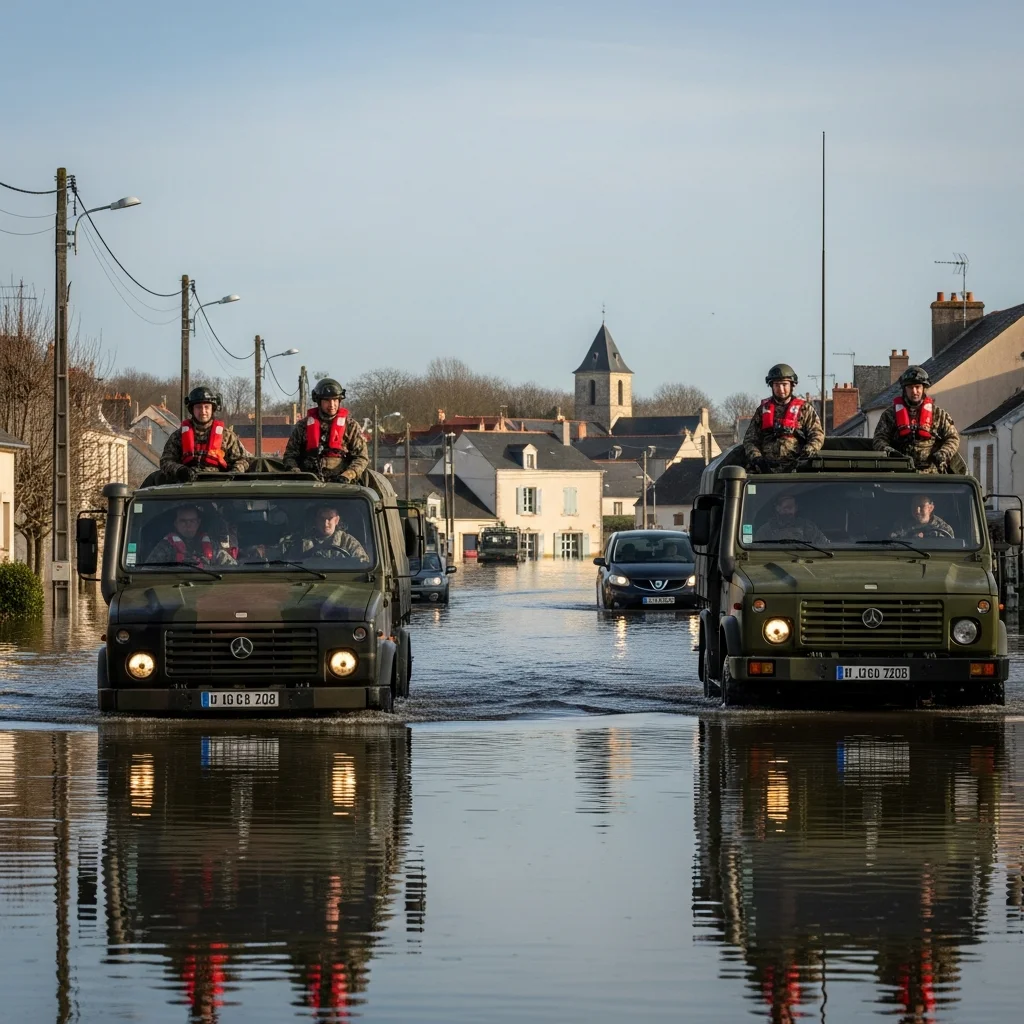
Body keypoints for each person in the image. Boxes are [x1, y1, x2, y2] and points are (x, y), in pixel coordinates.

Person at [872, 366, 960, 472]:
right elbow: (879, 439)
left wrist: (943, 453)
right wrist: (890, 452)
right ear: (905, 389)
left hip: (931, 474)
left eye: (917, 387)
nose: (914, 391)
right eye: (910, 387)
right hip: (899, 472)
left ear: (924, 389)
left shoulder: (938, 415)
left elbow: (953, 438)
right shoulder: (890, 415)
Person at [283, 378, 370, 482]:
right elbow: (290, 456)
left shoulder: (351, 426)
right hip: (308, 484)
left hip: (343, 484)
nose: (332, 405)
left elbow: (361, 457)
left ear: (339, 400)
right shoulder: (303, 426)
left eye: (335, 400)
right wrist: (297, 473)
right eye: (327, 400)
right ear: (319, 402)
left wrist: (349, 474)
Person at [744, 363, 825, 473]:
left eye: (784, 384)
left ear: (792, 385)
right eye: (777, 385)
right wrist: (757, 459)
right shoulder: (762, 411)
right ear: (771, 386)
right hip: (765, 469)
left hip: (797, 467)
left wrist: (806, 454)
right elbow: (750, 440)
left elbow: (817, 435)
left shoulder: (804, 409)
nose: (781, 389)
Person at [160, 386, 250, 482]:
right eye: (198, 407)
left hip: (219, 485)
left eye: (206, 407)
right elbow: (166, 461)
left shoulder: (227, 436)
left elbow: (242, 460)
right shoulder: (178, 436)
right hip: (186, 486)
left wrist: (232, 475)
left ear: (213, 409)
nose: (203, 411)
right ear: (192, 410)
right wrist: (180, 470)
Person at [145, 505, 235, 566]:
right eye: (183, 521)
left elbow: (231, 567)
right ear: (176, 523)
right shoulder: (166, 546)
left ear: (198, 523)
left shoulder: (211, 544)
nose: (188, 524)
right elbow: (148, 571)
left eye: (192, 521)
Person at [281, 503, 371, 564]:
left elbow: (363, 564)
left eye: (330, 518)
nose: (325, 523)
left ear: (336, 520)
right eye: (322, 519)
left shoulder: (348, 542)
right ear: (316, 520)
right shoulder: (302, 542)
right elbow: (289, 564)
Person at [753, 493, 830, 545]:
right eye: (785, 508)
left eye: (790, 508)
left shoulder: (807, 527)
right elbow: (756, 550)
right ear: (777, 508)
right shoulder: (766, 530)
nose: (788, 511)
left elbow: (824, 545)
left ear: (796, 508)